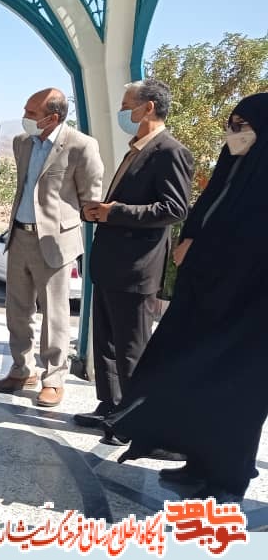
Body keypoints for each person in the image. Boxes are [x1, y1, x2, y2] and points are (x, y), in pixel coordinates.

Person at [104, 93, 268, 504]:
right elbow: (206, 212)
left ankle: (228, 478)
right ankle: (198, 463)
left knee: (235, 392)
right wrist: (193, 241)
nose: (234, 132)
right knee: (193, 378)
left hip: (248, 308)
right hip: (207, 295)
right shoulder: (234, 167)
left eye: (243, 125)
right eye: (231, 123)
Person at [73, 80, 192, 433]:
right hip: (110, 264)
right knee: (106, 342)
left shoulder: (170, 151)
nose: (122, 112)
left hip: (137, 267)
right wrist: (97, 212)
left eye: (127, 106)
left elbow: (174, 208)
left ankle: (133, 420)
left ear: (148, 107)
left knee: (131, 348)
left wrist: (115, 212)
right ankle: (110, 406)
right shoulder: (135, 150)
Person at [0, 88, 103, 406]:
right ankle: (21, 369)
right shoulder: (22, 142)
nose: (24, 117)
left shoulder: (81, 145)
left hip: (54, 242)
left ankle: (53, 379)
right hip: (19, 236)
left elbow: (90, 198)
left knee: (54, 314)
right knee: (17, 311)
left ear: (52, 118)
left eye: (31, 113)